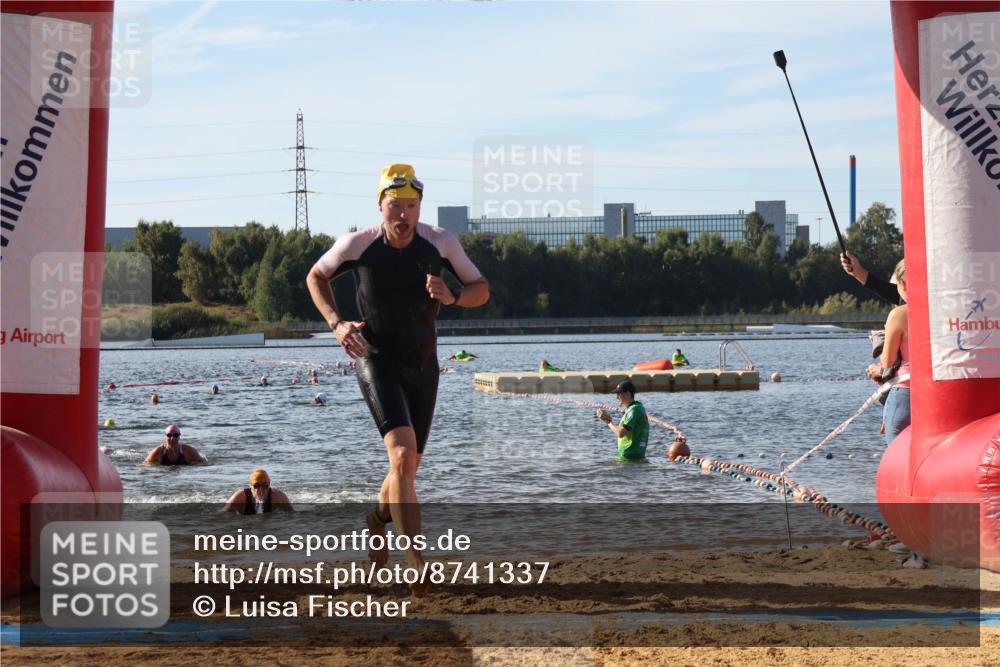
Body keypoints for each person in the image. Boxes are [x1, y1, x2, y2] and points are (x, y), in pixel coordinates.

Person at [305, 163, 489, 592]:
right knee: (403, 459)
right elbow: (316, 276)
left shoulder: (440, 242)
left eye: (411, 206)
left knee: (406, 469)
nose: (403, 215)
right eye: (395, 206)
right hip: (376, 357)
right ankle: (416, 563)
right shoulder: (357, 245)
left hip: (423, 365)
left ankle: (377, 517)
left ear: (420, 206)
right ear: (380, 206)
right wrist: (336, 323)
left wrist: (455, 295)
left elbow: (482, 288)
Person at [867, 260, 910, 446]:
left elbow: (887, 363)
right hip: (938, 393)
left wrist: (876, 368)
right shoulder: (944, 310)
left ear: (903, 284)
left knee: (898, 462)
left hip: (906, 394)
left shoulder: (899, 314)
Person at [596, 381, 650, 461]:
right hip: (632, 458)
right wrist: (609, 421)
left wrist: (608, 421)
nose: (617, 397)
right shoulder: (636, 408)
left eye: (619, 393)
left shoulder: (634, 410)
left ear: (628, 393)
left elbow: (620, 433)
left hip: (630, 459)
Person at [224, 469, 293, 514]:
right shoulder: (239, 497)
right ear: (250, 486)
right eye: (256, 486)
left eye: (265, 486)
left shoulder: (278, 497)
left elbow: (293, 515)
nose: (261, 489)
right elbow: (223, 515)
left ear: (269, 485)